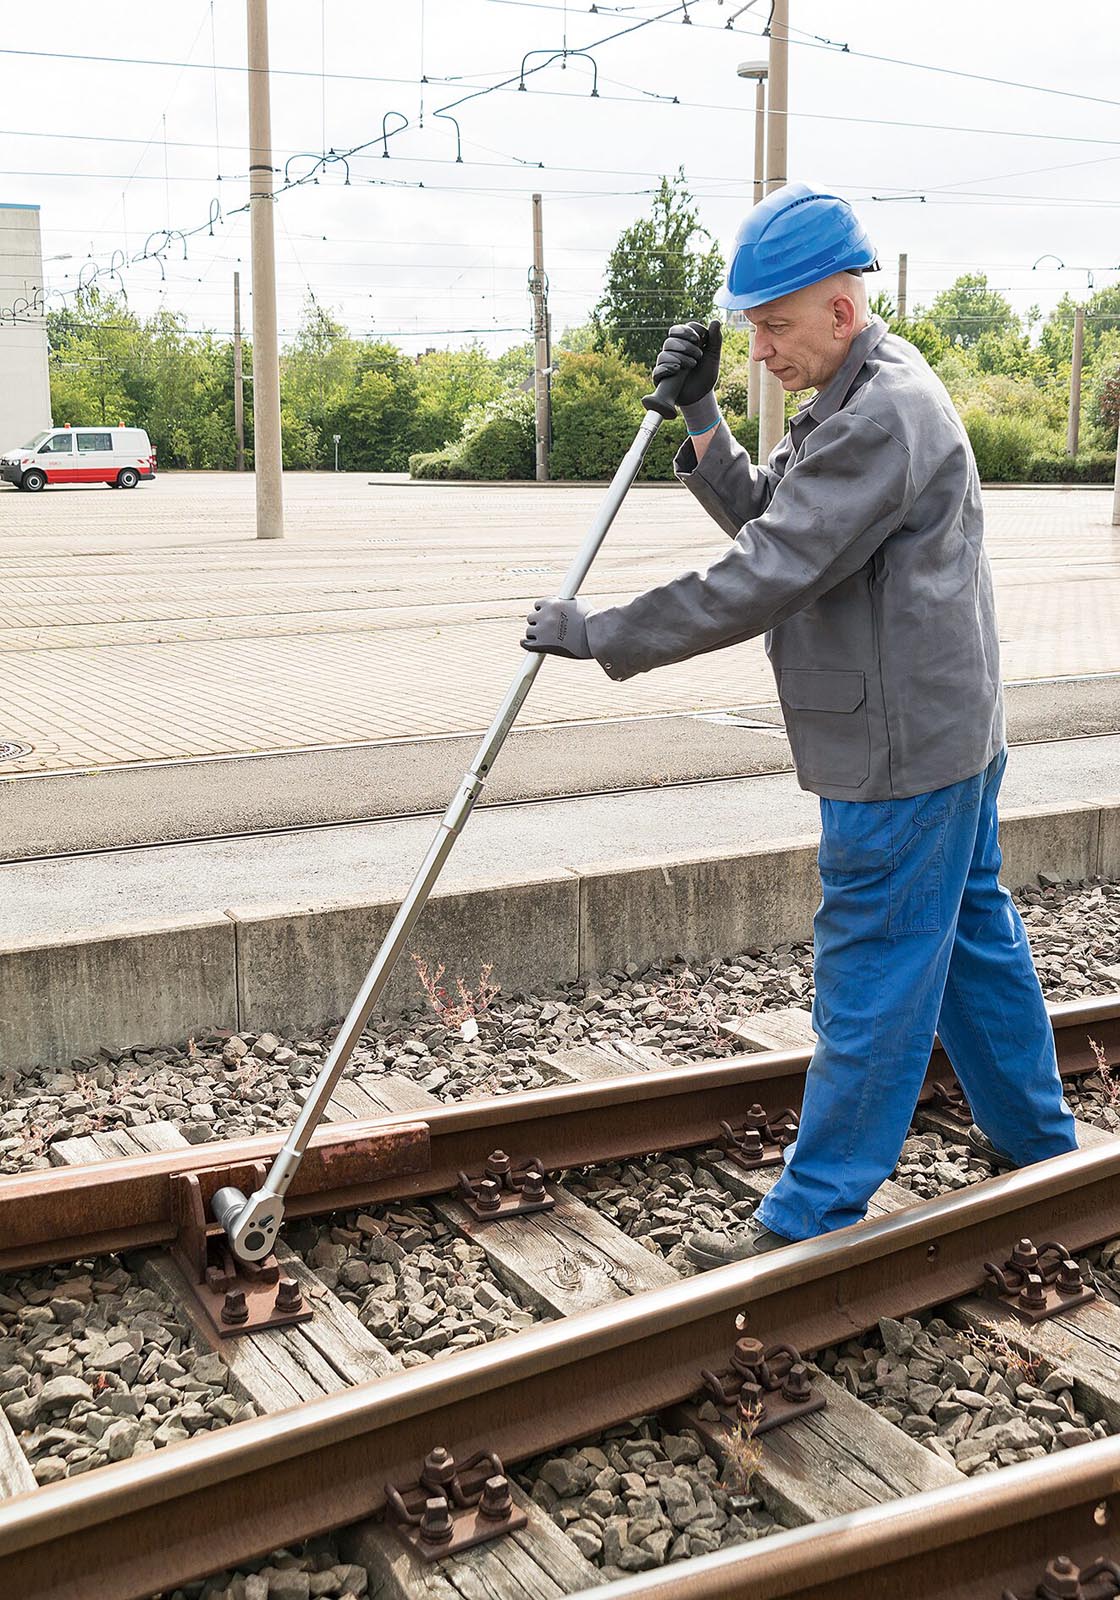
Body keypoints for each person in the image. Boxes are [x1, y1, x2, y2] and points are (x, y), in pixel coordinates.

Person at [521, 181, 1077, 1265]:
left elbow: (766, 570)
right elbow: (782, 513)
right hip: (943, 728)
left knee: (872, 967)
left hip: (899, 751)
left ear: (842, 303)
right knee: (966, 939)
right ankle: (1042, 1149)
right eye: (750, 326)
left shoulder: (882, 414)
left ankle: (809, 1218)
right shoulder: (869, 386)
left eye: (775, 324)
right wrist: (700, 417)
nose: (760, 347)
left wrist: (604, 632)